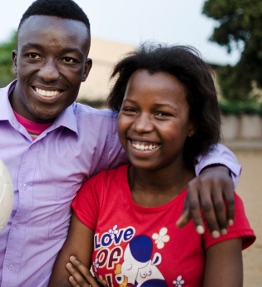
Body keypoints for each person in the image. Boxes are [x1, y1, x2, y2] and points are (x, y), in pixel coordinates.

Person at [0, 0, 242, 287]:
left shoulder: (102, 132)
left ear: (85, 69)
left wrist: (216, 167)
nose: (49, 73)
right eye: (34, 56)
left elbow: (173, 139)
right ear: (16, 61)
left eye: (68, 59)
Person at [49, 44, 255, 287]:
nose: (141, 125)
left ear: (193, 124)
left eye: (162, 114)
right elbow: (64, 280)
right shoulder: (98, 191)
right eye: (130, 110)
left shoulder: (213, 202)